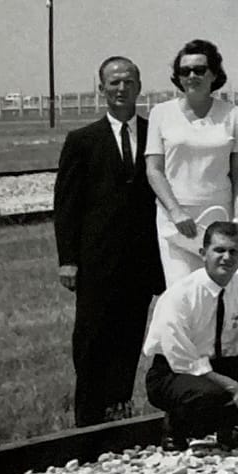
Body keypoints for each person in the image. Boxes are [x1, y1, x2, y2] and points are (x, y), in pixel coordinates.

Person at [54, 55, 163, 425]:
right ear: (101, 89)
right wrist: (67, 259)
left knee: (130, 337)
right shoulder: (82, 141)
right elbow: (67, 206)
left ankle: (119, 408)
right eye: (113, 82)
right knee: (91, 337)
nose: (121, 88)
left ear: (139, 86)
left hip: (143, 261)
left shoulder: (156, 135)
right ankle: (88, 416)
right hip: (96, 261)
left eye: (128, 81)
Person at [143, 220, 238, 448]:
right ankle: (177, 425)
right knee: (211, 396)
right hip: (176, 371)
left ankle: (236, 428)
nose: (226, 257)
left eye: (233, 251)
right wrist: (233, 387)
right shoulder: (180, 295)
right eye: (219, 250)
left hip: (223, 363)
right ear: (203, 253)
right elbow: (183, 360)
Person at [145, 40, 238, 287]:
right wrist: (176, 211)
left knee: (219, 290)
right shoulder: (161, 113)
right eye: (185, 71)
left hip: (219, 217)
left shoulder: (234, 115)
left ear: (213, 74)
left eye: (200, 70)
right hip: (176, 221)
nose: (192, 76)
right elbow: (154, 170)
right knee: (183, 291)